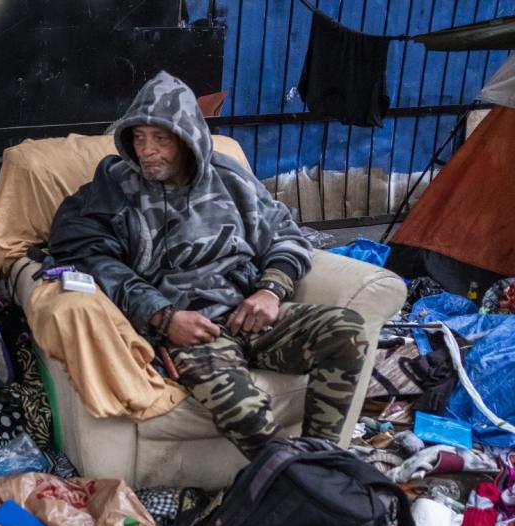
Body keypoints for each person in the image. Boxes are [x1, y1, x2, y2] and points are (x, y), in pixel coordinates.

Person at [48, 71, 368, 459]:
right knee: (244, 411)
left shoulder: (230, 179)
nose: (147, 150)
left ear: (187, 139)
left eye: (161, 138)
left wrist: (270, 291)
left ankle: (323, 459)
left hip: (249, 313)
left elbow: (286, 234)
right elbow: (87, 255)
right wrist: (162, 317)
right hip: (191, 331)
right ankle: (295, 478)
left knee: (347, 331)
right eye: (139, 137)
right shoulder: (115, 187)